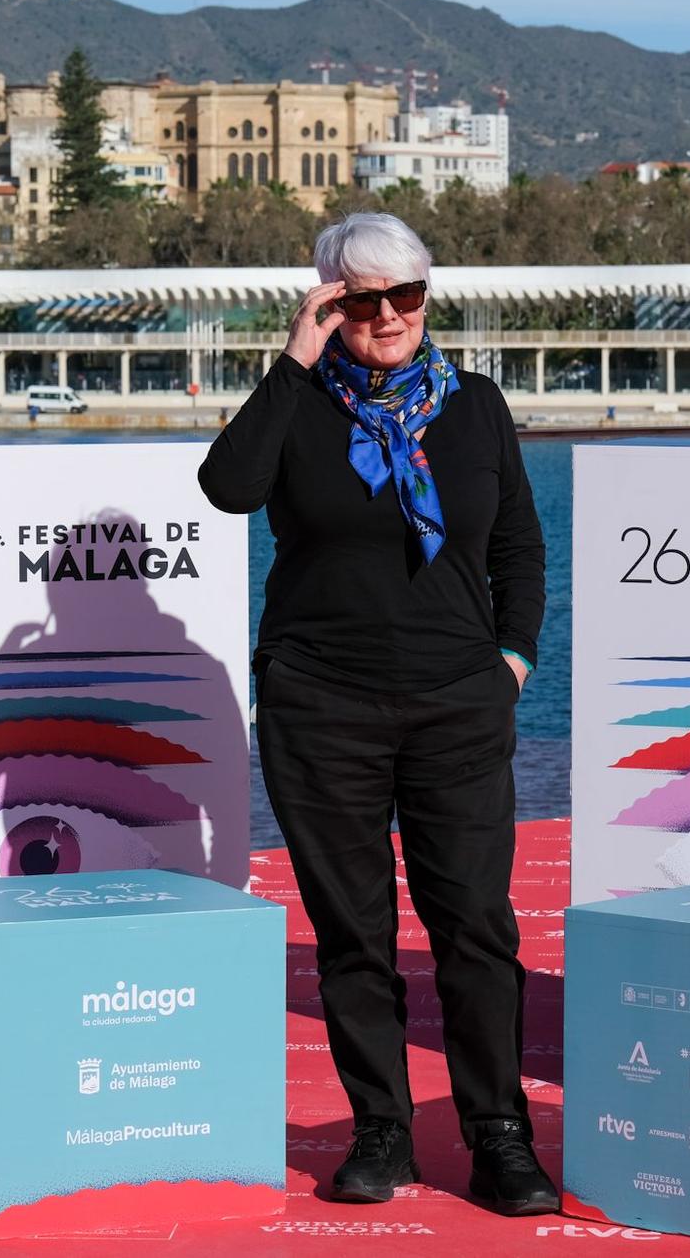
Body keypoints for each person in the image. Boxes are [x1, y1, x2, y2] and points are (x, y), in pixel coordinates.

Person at [198, 212, 554, 1216]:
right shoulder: (298, 406)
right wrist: (290, 365)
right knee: (352, 931)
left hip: (457, 701)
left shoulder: (473, 406)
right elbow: (226, 486)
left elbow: (517, 547)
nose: (388, 316)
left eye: (405, 295)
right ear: (326, 303)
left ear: (426, 298)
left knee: (473, 926)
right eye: (361, 299)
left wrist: (512, 661)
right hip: (322, 703)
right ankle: (382, 1130)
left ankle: (497, 1135)